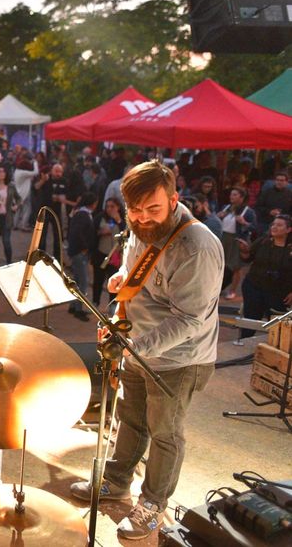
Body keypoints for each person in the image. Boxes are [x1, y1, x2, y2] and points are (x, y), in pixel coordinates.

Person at [70, 160, 223, 540]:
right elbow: (144, 272)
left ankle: (153, 504)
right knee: (130, 417)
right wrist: (124, 280)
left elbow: (190, 319)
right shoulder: (141, 224)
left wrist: (135, 346)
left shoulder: (197, 247)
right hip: (136, 346)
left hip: (177, 358)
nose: (142, 218)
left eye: (153, 209)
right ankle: (117, 481)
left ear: (174, 199)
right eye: (134, 211)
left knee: (165, 432)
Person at [236, 215, 292, 344]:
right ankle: (244, 343)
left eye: (279, 225)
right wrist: (244, 251)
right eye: (273, 224)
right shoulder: (263, 241)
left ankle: (275, 350)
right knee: (250, 317)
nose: (274, 227)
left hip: (278, 292)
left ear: (288, 229)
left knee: (277, 324)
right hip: (254, 286)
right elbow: (248, 258)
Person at [216, 187, 257, 300]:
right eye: (231, 194)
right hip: (224, 238)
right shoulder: (226, 208)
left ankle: (232, 291)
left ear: (241, 197)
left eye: (235, 195)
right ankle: (218, 288)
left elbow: (254, 227)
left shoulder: (248, 211)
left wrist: (244, 223)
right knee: (220, 264)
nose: (231, 197)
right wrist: (218, 216)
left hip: (237, 240)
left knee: (236, 267)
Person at [66, 192, 97, 321]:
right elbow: (78, 233)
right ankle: (79, 309)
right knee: (82, 282)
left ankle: (73, 305)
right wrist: (84, 247)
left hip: (76, 251)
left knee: (77, 280)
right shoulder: (83, 215)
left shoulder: (80, 213)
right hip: (79, 252)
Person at [90, 197, 126, 308]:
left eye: (112, 206)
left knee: (114, 282)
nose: (109, 209)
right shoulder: (100, 218)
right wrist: (100, 232)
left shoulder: (123, 220)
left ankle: (113, 307)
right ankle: (95, 303)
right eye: (108, 206)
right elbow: (91, 234)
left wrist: (119, 221)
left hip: (115, 257)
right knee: (98, 281)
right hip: (101, 255)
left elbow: (127, 234)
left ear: (118, 207)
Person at [254, 170, 291, 234]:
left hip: (282, 226)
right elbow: (258, 206)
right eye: (277, 180)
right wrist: (269, 211)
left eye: (282, 180)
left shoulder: (290, 194)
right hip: (265, 223)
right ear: (274, 181)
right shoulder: (266, 192)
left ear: (286, 182)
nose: (279, 182)